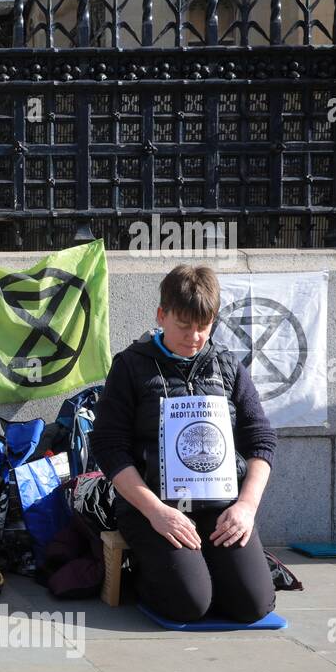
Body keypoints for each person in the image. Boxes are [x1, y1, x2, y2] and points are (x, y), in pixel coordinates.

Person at [89, 264, 277, 623]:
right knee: (189, 604)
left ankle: (211, 570)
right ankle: (146, 575)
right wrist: (156, 512)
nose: (193, 337)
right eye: (183, 325)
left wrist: (246, 507)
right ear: (162, 315)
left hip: (220, 506)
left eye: (203, 326)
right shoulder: (130, 366)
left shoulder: (228, 366)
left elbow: (260, 438)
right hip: (155, 507)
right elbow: (109, 445)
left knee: (254, 605)